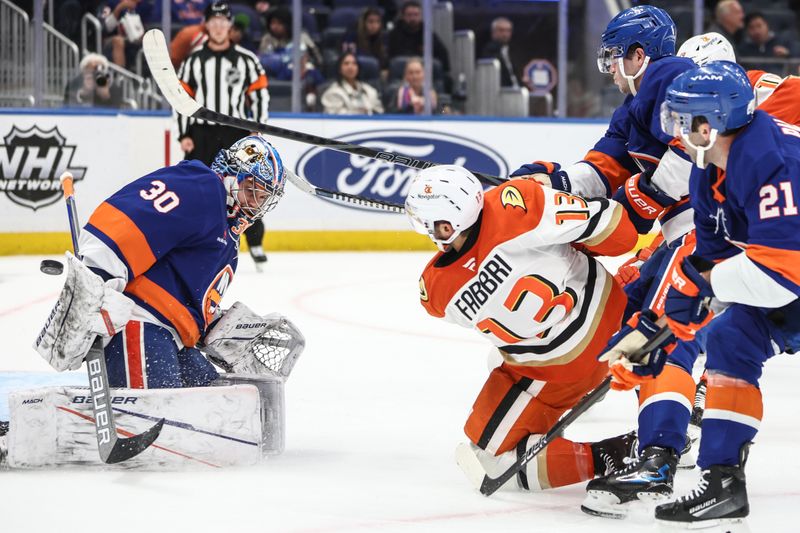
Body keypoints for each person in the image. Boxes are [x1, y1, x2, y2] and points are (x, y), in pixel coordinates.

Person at [509, 6, 706, 517]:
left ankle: (660, 455)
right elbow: (601, 171)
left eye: (615, 59)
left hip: (715, 232)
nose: (611, 70)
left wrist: (645, 196)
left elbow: (693, 152)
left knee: (661, 334)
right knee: (646, 325)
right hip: (694, 235)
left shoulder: (672, 75)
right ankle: (674, 431)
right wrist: (545, 183)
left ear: (639, 56)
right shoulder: (633, 107)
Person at [405, 164, 640, 494]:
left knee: (491, 459)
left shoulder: (436, 293)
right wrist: (551, 192)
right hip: (614, 313)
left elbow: (479, 256)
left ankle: (612, 455)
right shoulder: (517, 203)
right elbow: (620, 234)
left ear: (443, 226)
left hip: (564, 370)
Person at [653, 60, 800, 528]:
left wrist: (704, 286)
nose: (673, 129)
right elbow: (713, 261)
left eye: (681, 119)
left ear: (709, 122)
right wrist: (662, 323)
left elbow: (782, 276)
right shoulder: (709, 171)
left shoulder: (770, 159)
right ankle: (721, 483)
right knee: (731, 337)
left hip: (792, 276)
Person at [33, 135, 287, 391]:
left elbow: (183, 291)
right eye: (252, 191)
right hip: (140, 324)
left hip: (175, 341)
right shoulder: (203, 186)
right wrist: (96, 279)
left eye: (263, 198)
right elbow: (132, 218)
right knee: (164, 420)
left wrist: (220, 328)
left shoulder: (229, 237)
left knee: (221, 411)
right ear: (234, 175)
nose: (256, 204)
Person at [178, 1, 271, 268]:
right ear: (206, 25)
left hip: (237, 132)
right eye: (214, 21)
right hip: (202, 132)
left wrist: (259, 128)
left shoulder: (247, 60)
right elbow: (182, 99)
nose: (219, 26)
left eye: (223, 21)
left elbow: (261, 95)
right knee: (198, 188)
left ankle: (255, 241)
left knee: (248, 187)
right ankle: (196, 243)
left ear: (230, 25)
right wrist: (184, 132)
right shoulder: (193, 61)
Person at [387, 1, 450, 76]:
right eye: (409, 15)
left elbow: (442, 53)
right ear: (403, 16)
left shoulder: (427, 33)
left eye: (416, 15)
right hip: (401, 75)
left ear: (421, 16)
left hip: (425, 76)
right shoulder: (394, 34)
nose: (413, 18)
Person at [342, 7, 389, 73]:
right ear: (363, 23)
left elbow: (385, 61)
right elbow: (348, 57)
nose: (374, 25)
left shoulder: (383, 38)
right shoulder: (351, 35)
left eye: (377, 22)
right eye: (370, 22)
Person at [479, 17, 519, 88]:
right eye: (501, 30)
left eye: (508, 30)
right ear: (493, 32)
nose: (505, 34)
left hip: (517, 90)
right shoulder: (488, 51)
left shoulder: (512, 50)